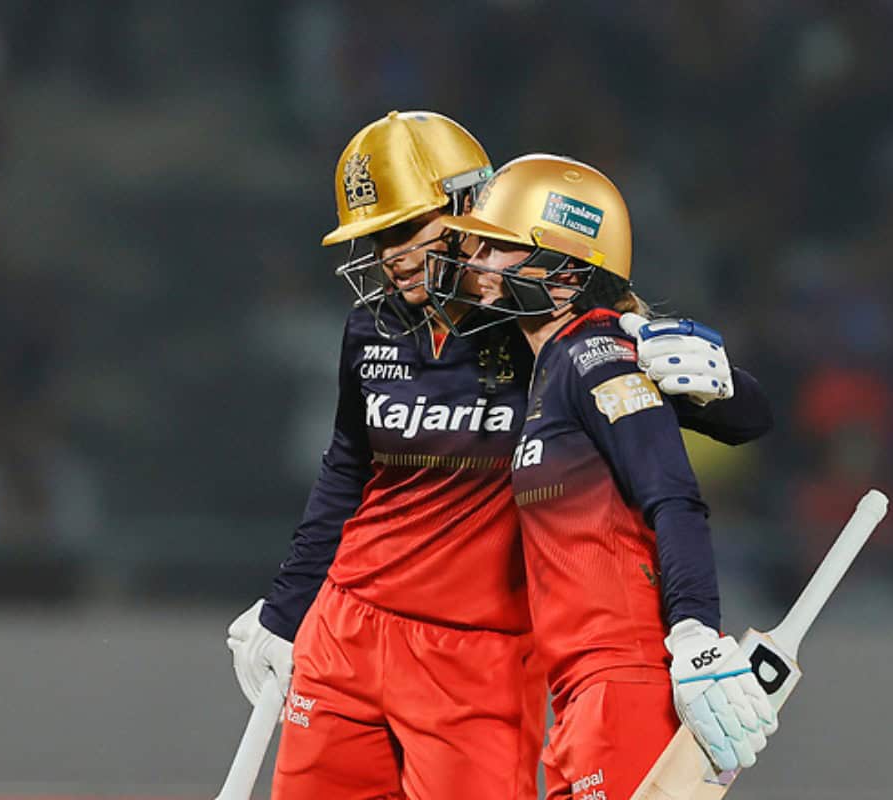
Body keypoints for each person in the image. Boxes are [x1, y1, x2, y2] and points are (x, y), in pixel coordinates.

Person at [226, 112, 773, 800]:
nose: (388, 256)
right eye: (374, 236)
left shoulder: (536, 324)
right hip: (348, 625)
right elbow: (346, 469)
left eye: (404, 229)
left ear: (468, 209)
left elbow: (734, 424)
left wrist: (717, 385)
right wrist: (285, 611)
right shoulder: (369, 328)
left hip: (477, 652)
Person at [432, 153, 779, 799]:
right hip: (580, 697)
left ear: (563, 274)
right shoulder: (551, 363)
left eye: (502, 246)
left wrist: (697, 636)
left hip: (627, 680)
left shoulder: (595, 357)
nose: (477, 260)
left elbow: (673, 497)